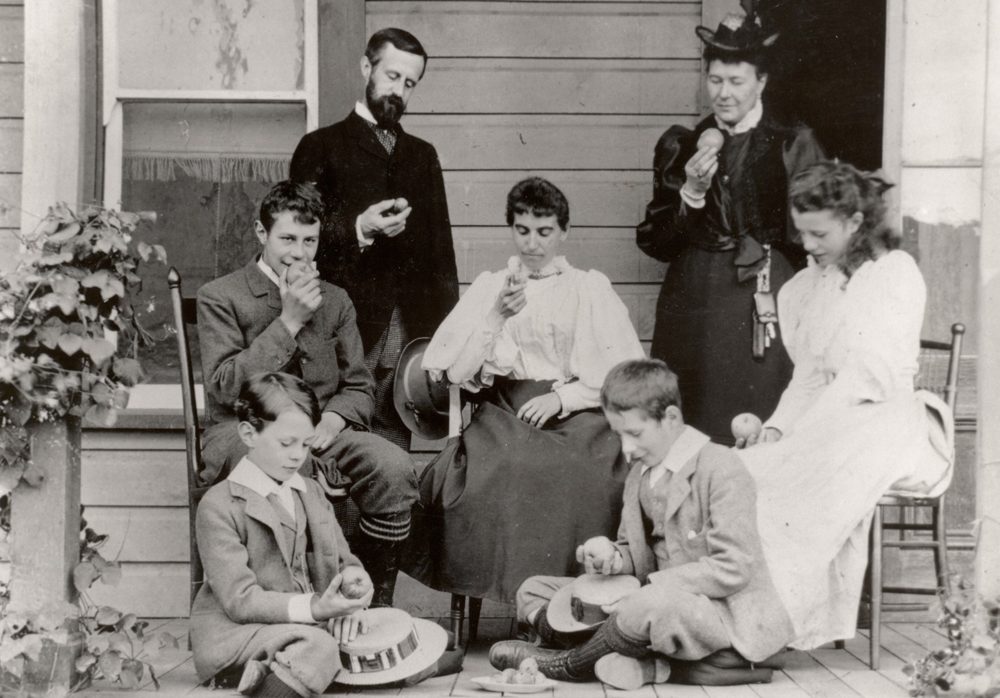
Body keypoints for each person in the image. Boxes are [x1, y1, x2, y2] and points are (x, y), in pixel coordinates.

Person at [736, 161, 954, 649]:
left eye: (818, 233)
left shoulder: (892, 275)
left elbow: (865, 379)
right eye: (801, 233)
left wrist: (804, 435)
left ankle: (771, 624)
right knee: (753, 468)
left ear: (854, 223)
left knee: (795, 476)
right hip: (836, 417)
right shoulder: (809, 288)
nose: (807, 245)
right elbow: (809, 379)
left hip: (888, 421)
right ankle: (745, 613)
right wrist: (777, 429)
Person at [405, 177, 646, 603]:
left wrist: (562, 398)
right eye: (522, 230)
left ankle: (579, 597)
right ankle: (525, 599)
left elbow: (620, 370)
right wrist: (496, 315)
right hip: (504, 410)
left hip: (580, 410)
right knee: (511, 464)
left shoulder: (587, 288)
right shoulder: (491, 286)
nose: (532, 243)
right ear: (511, 229)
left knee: (584, 468)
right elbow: (455, 372)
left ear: (563, 232)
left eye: (544, 231)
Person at [488, 359, 793, 690]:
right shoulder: (641, 474)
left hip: (723, 612)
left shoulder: (720, 467)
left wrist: (653, 588)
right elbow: (639, 553)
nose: (627, 449)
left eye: (634, 433)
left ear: (671, 418)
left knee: (645, 605)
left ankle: (570, 663)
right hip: (652, 604)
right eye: (619, 435)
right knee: (533, 589)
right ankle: (613, 650)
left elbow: (734, 567)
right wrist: (613, 557)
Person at [197, 180, 418, 608]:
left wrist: (333, 421)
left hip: (322, 432)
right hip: (245, 434)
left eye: (310, 241)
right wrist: (289, 322)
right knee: (288, 469)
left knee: (392, 466)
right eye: (287, 239)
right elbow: (224, 386)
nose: (300, 253)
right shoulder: (222, 296)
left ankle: (368, 601)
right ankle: (294, 605)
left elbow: (358, 386)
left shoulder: (335, 301)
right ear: (262, 235)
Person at [636, 10, 824, 444]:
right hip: (694, 298)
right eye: (715, 80)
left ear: (761, 82)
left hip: (765, 297)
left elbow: (812, 237)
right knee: (692, 414)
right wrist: (691, 194)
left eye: (736, 82)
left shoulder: (791, 143)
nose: (724, 93)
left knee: (760, 410)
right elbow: (658, 243)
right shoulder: (682, 144)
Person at [289, 27, 459, 451]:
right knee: (335, 450)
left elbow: (442, 255)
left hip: (407, 337)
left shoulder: (423, 156)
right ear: (366, 67)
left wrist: (446, 340)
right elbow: (295, 243)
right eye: (391, 76)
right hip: (341, 332)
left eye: (410, 83)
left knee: (392, 456)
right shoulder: (320, 147)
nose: (398, 91)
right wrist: (358, 228)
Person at [191, 372, 374, 697]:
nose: (297, 455)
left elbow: (345, 562)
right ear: (248, 433)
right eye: (286, 443)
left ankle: (276, 674)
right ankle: (279, 683)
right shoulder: (219, 504)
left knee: (383, 626)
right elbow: (240, 601)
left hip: (308, 624)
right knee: (319, 645)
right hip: (241, 632)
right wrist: (317, 610)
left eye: (305, 444)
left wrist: (354, 584)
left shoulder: (311, 492)